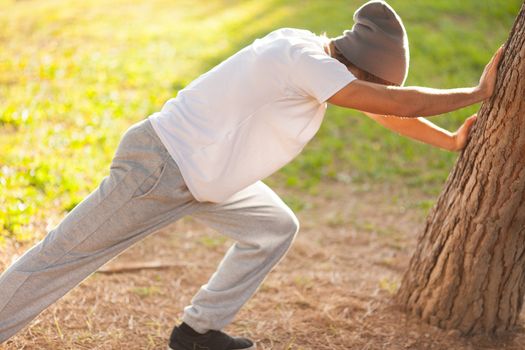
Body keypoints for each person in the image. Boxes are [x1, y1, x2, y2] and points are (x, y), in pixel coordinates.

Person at [0, 1, 503, 349]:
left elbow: (384, 108)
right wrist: (478, 93)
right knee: (63, 256)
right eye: (372, 84)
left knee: (273, 227)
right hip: (161, 166)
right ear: (360, 68)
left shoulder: (323, 64)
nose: (369, 93)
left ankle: (197, 331)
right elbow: (390, 102)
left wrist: (450, 141)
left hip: (208, 177)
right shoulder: (299, 57)